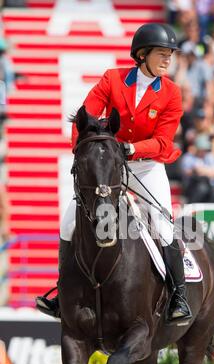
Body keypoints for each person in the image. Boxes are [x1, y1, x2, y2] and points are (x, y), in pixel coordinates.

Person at [36, 23, 192, 325]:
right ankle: (62, 295)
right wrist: (85, 153)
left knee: (162, 226)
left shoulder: (171, 93)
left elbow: (163, 142)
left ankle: (178, 296)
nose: (167, 60)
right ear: (142, 54)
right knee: (69, 224)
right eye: (162, 54)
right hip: (109, 167)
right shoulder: (113, 79)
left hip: (145, 165)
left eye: (170, 55)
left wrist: (131, 149)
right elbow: (85, 118)